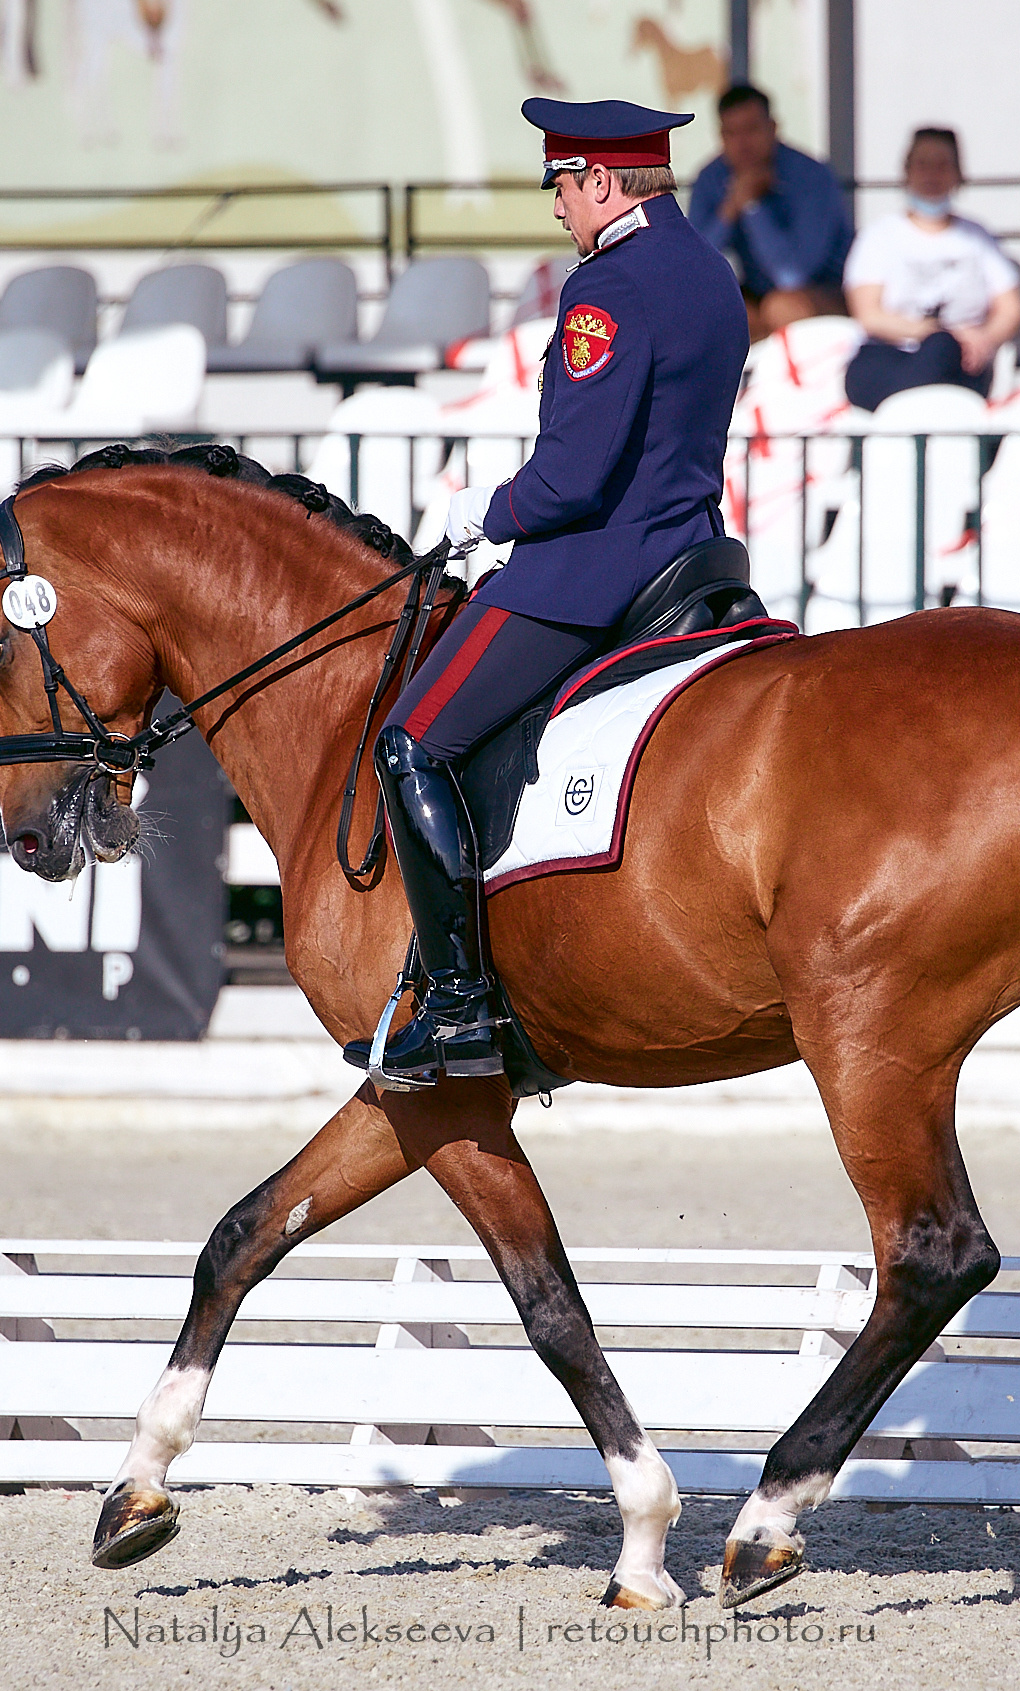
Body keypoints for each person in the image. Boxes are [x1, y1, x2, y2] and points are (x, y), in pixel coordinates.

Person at [346, 97, 748, 1087]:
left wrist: (483, 514)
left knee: (411, 742)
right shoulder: (707, 269)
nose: (558, 208)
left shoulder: (606, 288)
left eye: (562, 186)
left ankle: (457, 1006)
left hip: (591, 574)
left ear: (602, 181)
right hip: (688, 554)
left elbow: (571, 479)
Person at [840, 127, 1020, 410]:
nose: (931, 175)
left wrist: (983, 339)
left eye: (942, 165)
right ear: (907, 170)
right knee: (936, 347)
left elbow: (1010, 309)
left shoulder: (977, 238)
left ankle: (901, 413)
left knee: (943, 351)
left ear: (958, 173)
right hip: (889, 356)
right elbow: (869, 314)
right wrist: (934, 332)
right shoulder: (879, 236)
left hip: (960, 361)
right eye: (923, 164)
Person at [686, 84, 853, 342]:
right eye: (732, 133)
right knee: (712, 308)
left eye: (751, 130)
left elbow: (792, 276)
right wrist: (730, 209)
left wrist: (752, 205)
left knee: (782, 307)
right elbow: (694, 266)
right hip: (757, 294)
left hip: (826, 293)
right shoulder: (712, 177)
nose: (743, 144)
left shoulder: (811, 175)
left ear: (773, 128)